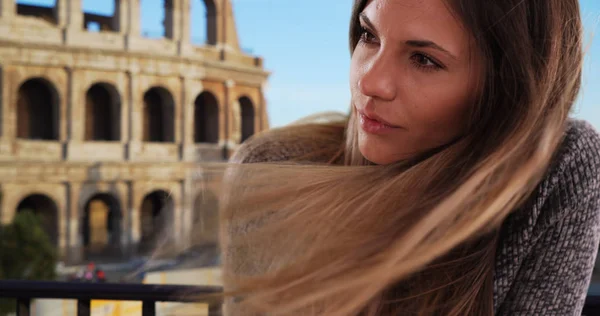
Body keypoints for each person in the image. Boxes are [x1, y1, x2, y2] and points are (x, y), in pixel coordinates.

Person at [214, 0, 600, 315]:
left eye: (424, 60)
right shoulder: (272, 167)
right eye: (368, 36)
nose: (369, 82)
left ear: (506, 89)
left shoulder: (557, 167)